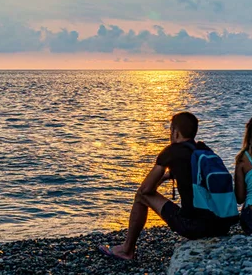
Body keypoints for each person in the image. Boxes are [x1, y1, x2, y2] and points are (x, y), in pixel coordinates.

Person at [99, 111, 238, 261]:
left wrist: (160, 175)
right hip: (221, 225)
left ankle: (127, 250)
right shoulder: (202, 150)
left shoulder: (172, 152)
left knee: (141, 196)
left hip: (194, 227)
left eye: (171, 130)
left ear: (176, 132)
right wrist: (167, 175)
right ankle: (127, 249)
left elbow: (146, 189)